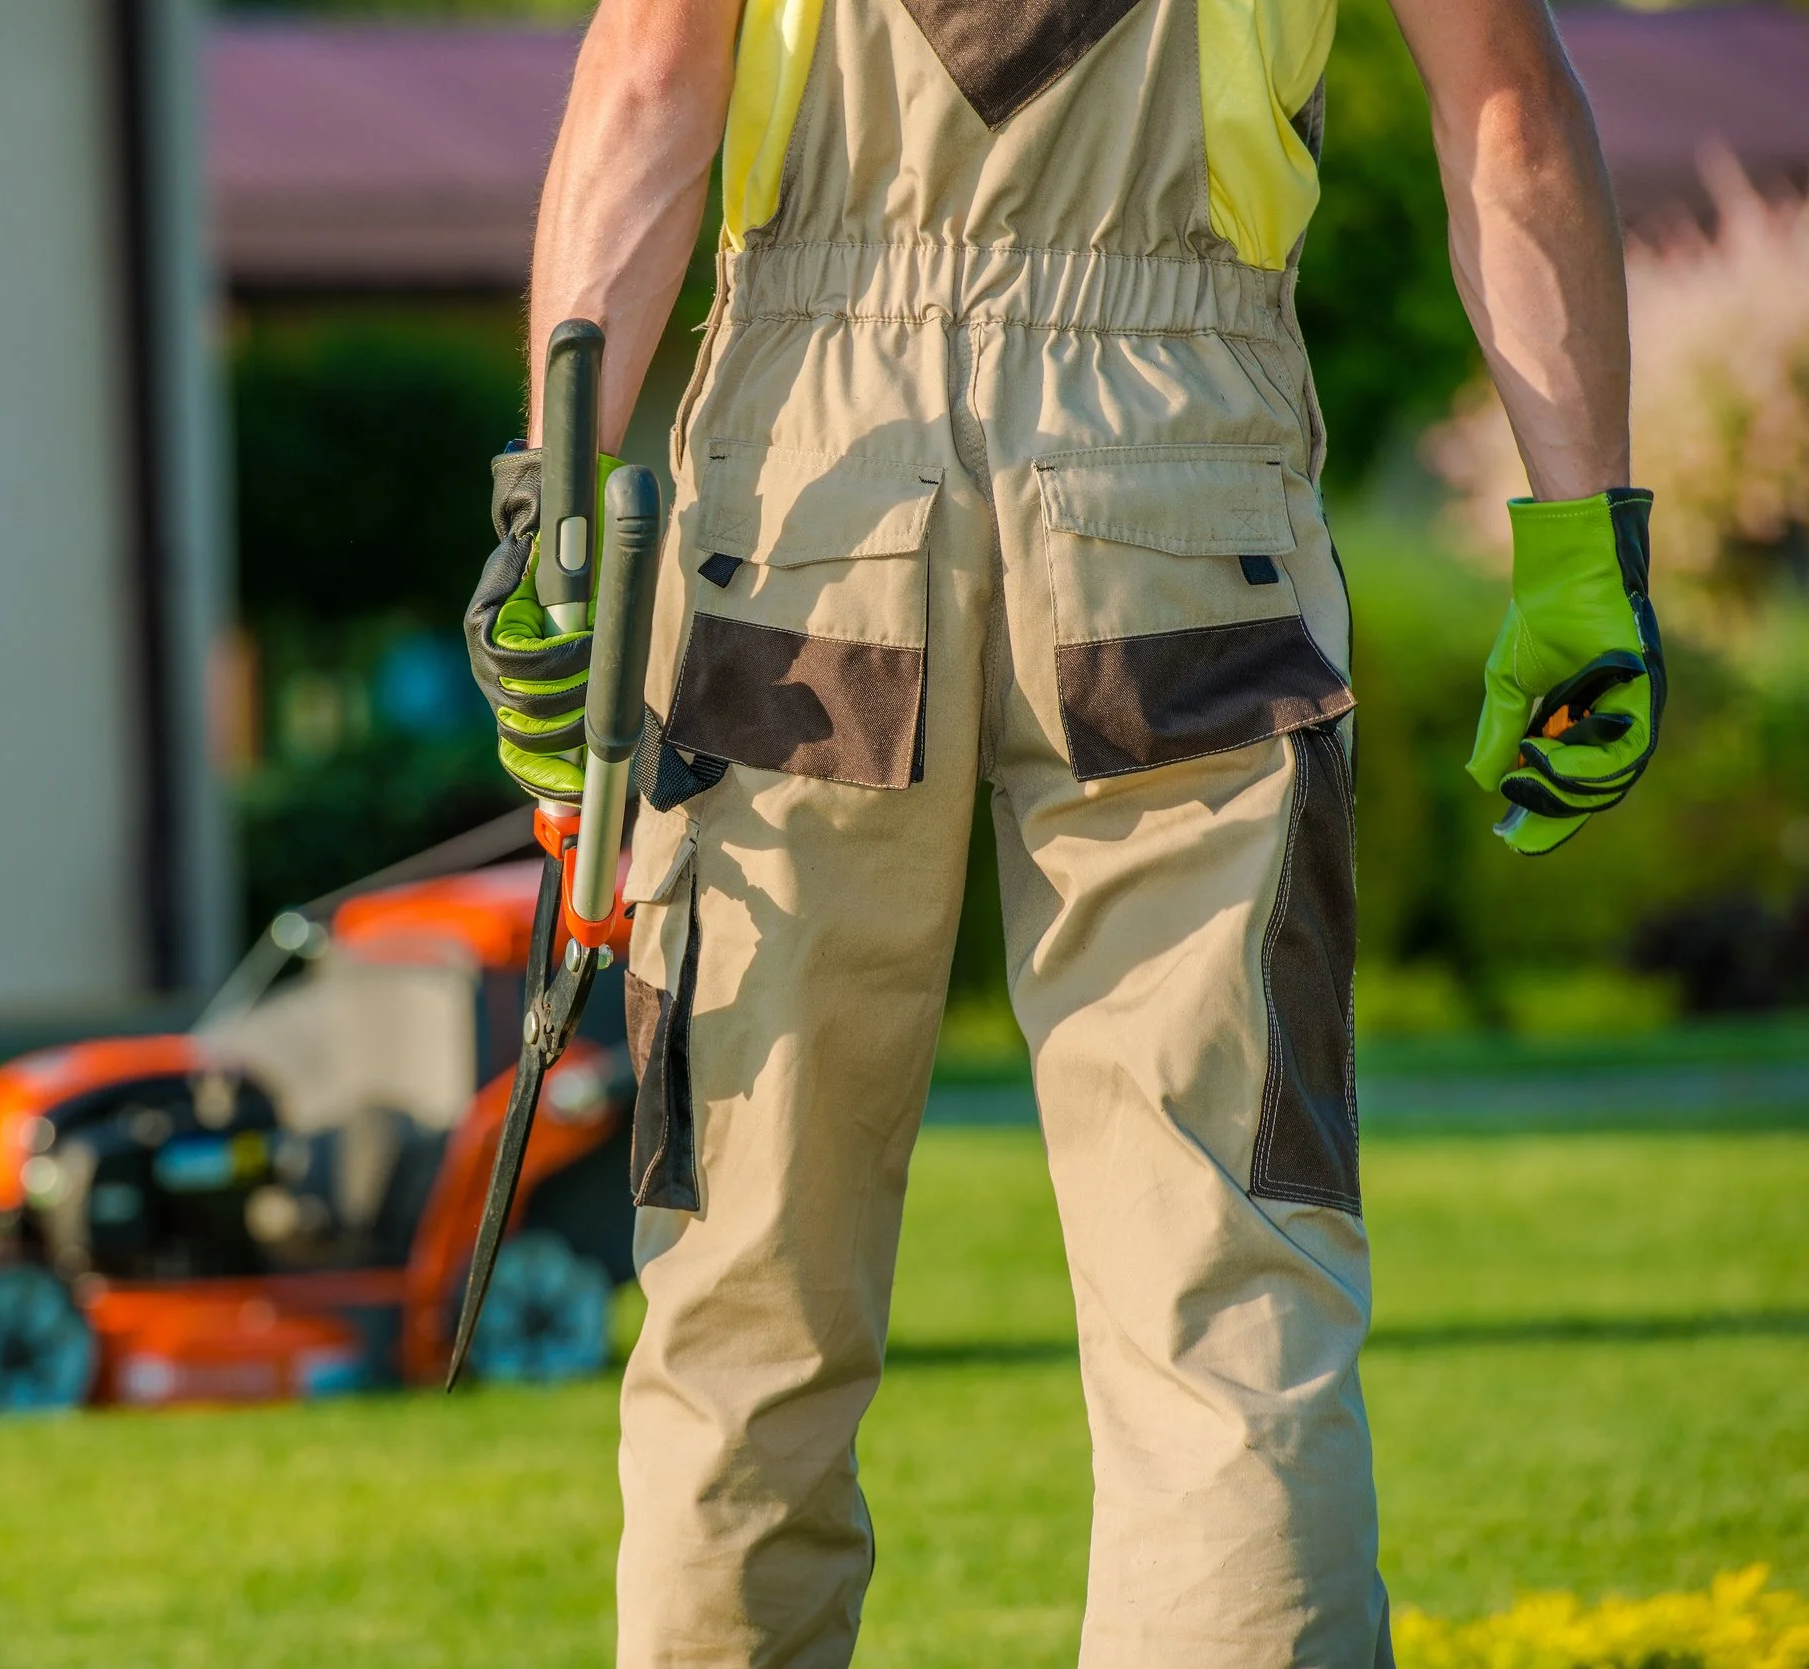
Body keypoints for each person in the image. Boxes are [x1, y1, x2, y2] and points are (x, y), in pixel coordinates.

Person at [464, 0, 1664, 1660]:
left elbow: (652, 71)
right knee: (1223, 1287)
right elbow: (1505, 104)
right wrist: (1581, 544)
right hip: (1176, 486)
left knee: (744, 1301)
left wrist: (555, 510)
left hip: (811, 497)